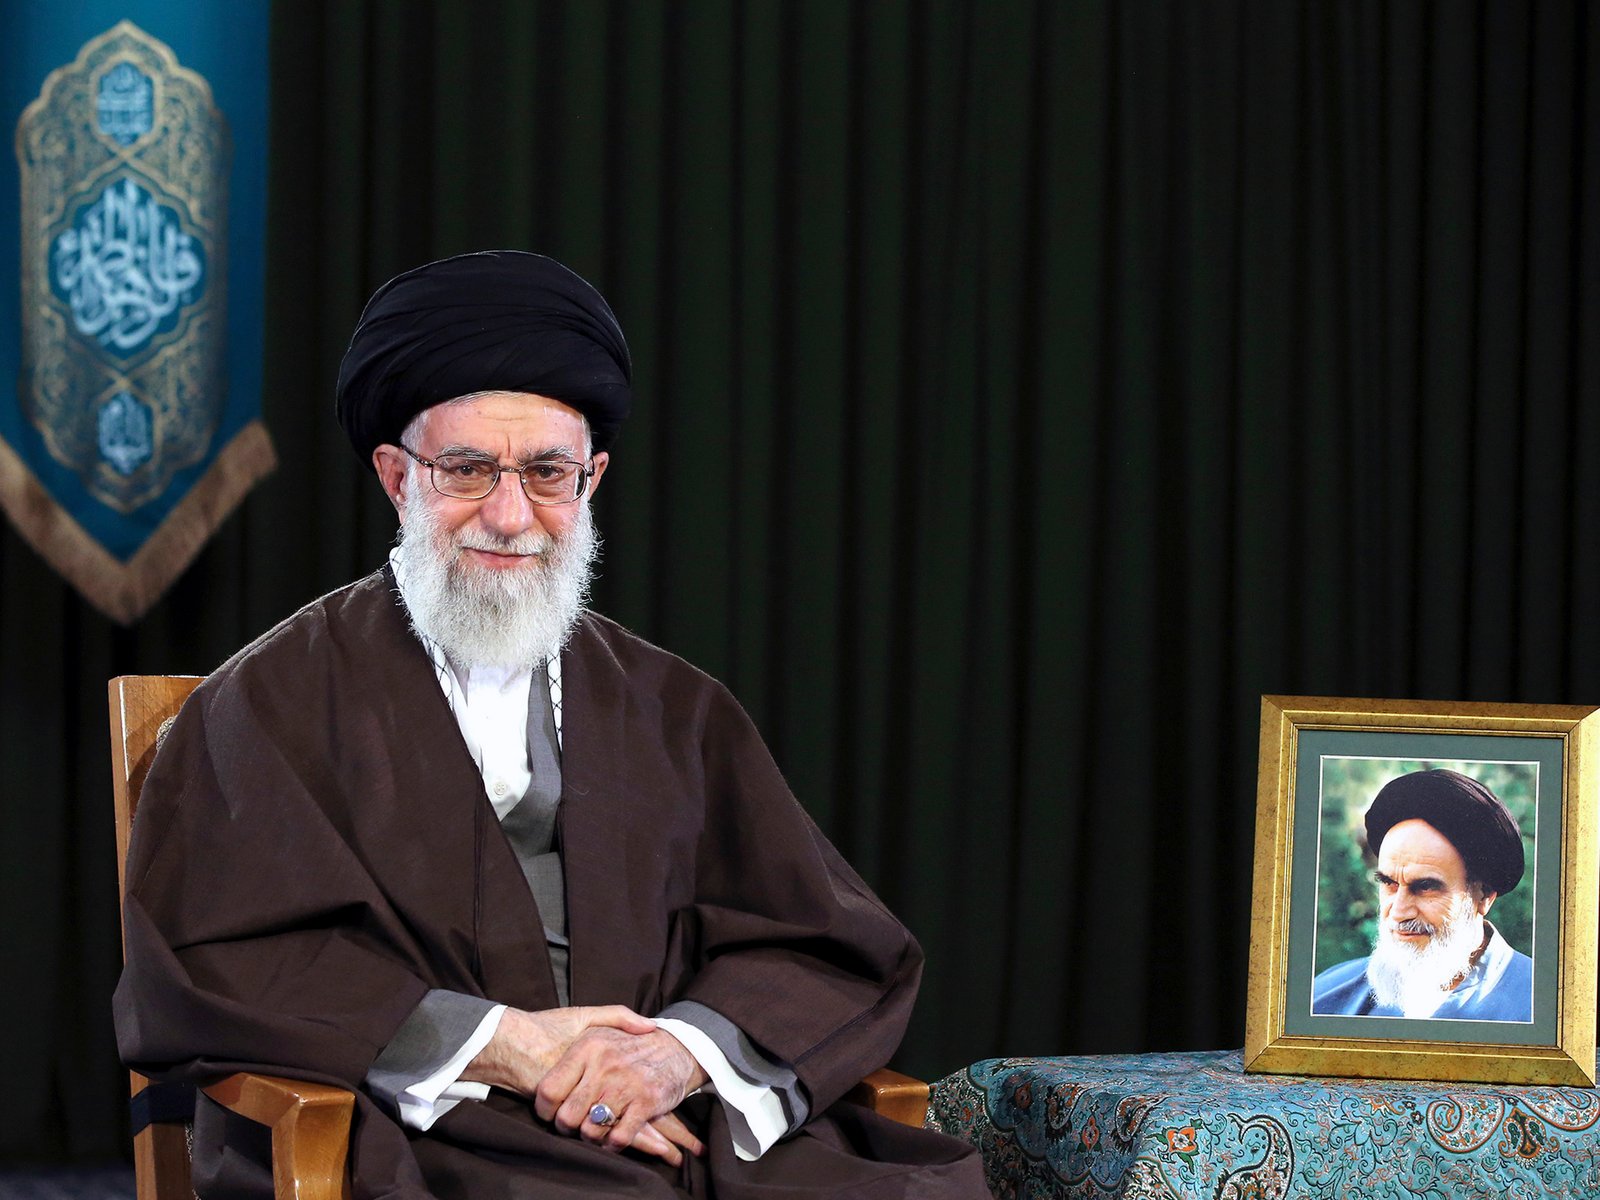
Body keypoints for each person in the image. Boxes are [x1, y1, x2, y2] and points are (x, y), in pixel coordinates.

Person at [115, 251, 988, 1198]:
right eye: (466, 470)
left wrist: (677, 1056)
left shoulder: (673, 705)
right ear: (396, 477)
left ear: (591, 479)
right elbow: (218, 959)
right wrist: (504, 1044)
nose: (509, 513)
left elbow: (820, 940)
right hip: (427, 1127)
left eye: (546, 472)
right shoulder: (269, 701)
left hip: (677, 1122)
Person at [1311, 768, 1533, 1021]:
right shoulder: (1325, 995)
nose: (1398, 912)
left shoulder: (1545, 1006)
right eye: (1389, 883)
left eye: (1425, 887)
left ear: (1484, 895)